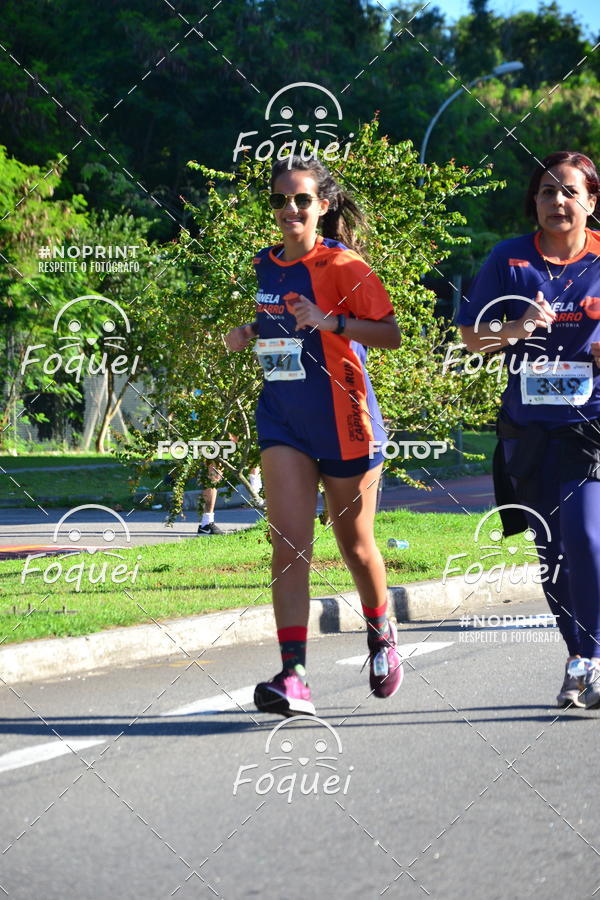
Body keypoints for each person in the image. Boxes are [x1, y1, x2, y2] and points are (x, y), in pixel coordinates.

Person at [225, 155, 402, 717]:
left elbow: (391, 334)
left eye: (301, 199)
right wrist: (248, 331)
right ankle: (294, 675)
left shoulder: (344, 265)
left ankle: (381, 632)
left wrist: (332, 323)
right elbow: (281, 320)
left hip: (345, 422)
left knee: (355, 545)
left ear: (322, 205)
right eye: (280, 200)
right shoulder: (265, 264)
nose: (290, 209)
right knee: (288, 545)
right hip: (284, 420)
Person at [457, 150, 600, 709]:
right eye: (546, 191)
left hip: (590, 426)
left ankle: (590, 656)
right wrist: (516, 328)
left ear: (592, 200)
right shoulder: (509, 259)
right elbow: (472, 337)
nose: (557, 201)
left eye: (569, 191)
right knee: (553, 551)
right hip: (528, 430)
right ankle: (578, 656)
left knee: (585, 537)